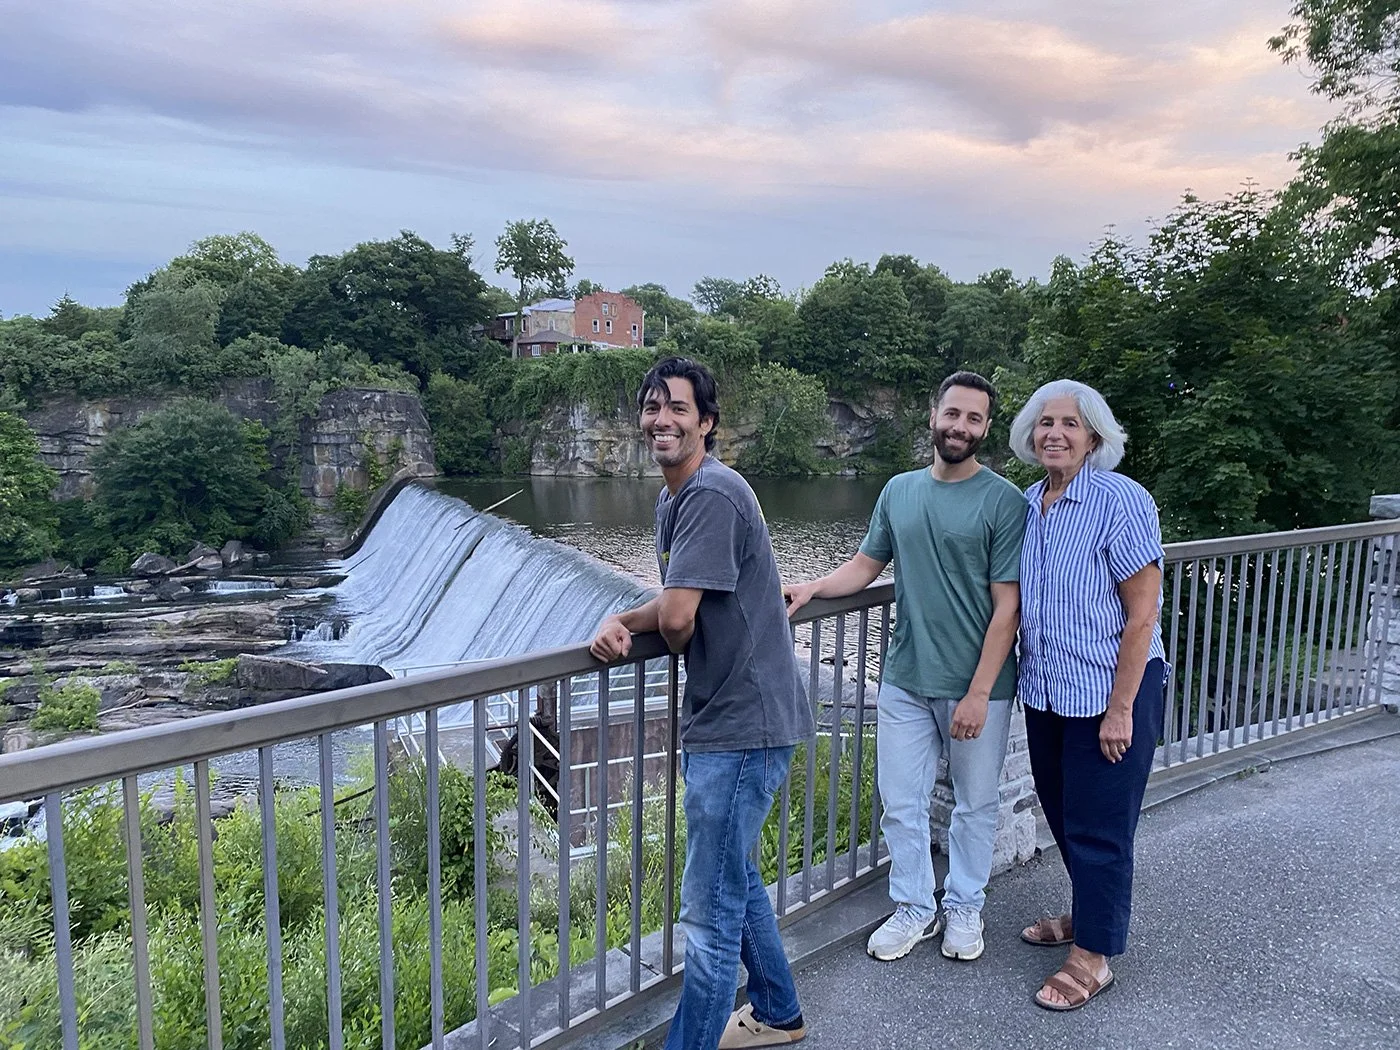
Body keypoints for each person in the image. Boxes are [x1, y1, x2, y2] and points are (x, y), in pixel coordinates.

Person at [590, 357, 814, 1050]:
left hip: (744, 723)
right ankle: (778, 1012)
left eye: (678, 409)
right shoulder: (676, 498)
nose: (662, 420)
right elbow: (673, 601)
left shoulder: (712, 493)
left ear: (706, 423)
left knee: (709, 911)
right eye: (653, 407)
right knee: (732, 877)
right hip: (736, 717)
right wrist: (626, 617)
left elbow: (681, 616)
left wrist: (656, 622)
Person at [784, 371, 1025, 963]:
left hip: (978, 688)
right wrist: (813, 587)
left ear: (985, 428)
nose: (960, 427)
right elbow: (865, 566)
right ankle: (915, 907)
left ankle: (965, 906)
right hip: (905, 679)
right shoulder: (899, 491)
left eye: (974, 419)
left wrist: (978, 691)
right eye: (953, 415)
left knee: (975, 804)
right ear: (933, 415)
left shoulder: (1003, 501)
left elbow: (1007, 608)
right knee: (901, 802)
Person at [1007, 379, 1169, 1012]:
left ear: (1094, 437)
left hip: (1111, 693)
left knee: (1101, 829)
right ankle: (1089, 913)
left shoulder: (1121, 500)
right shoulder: (1029, 504)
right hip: (1048, 693)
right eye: (1046, 422)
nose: (1055, 433)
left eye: (1071, 424)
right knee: (1067, 817)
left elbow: (1142, 614)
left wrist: (1122, 707)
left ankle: (1094, 956)